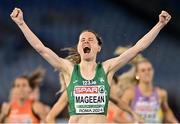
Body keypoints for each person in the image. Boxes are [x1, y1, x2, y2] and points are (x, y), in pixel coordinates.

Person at [10, 7, 171, 123]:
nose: (86, 41)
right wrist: (21, 23)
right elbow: (41, 49)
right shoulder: (69, 69)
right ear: (79, 47)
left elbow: (138, 48)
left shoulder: (107, 69)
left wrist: (160, 24)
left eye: (90, 39)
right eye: (82, 40)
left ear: (98, 47)